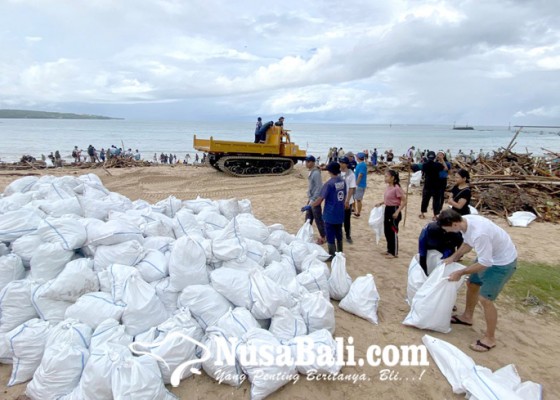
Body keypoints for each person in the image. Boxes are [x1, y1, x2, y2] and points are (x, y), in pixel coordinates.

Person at [438, 209, 517, 352]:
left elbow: (485, 263)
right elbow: (467, 243)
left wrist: (461, 272)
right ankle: (467, 317)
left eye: (448, 229)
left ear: (455, 224)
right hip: (488, 257)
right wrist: (454, 257)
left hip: (501, 263)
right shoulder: (465, 221)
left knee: (485, 300)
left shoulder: (480, 234)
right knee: (472, 283)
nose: (448, 232)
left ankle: (490, 338)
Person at [304, 162, 346, 259]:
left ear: (329, 171)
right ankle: (340, 252)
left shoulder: (329, 184)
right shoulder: (342, 181)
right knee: (339, 233)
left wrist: (309, 206)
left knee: (330, 235)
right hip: (340, 212)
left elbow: (319, 200)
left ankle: (332, 255)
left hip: (330, 213)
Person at [374, 169, 406, 258]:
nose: (385, 178)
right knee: (387, 231)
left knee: (393, 231)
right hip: (387, 209)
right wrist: (380, 203)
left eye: (386, 176)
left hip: (394, 210)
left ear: (393, 178)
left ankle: (394, 253)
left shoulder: (397, 188)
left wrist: (397, 211)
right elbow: (388, 199)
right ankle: (389, 250)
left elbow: (404, 201)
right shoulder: (388, 187)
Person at [303, 155, 327, 244]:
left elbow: (319, 188)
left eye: (308, 162)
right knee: (308, 219)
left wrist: (312, 201)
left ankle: (324, 236)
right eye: (306, 161)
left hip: (315, 200)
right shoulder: (312, 171)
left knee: (318, 219)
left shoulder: (316, 173)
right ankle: (306, 234)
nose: (306, 163)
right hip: (311, 198)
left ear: (312, 162)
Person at [419, 151, 444, 220]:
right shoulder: (438, 165)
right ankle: (435, 215)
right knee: (436, 201)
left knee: (425, 200)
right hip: (436, 185)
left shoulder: (425, 164)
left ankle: (422, 213)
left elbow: (422, 172)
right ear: (434, 157)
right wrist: (441, 160)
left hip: (427, 184)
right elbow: (444, 169)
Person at [339, 156, 357, 244]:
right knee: (338, 218)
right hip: (338, 200)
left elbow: (351, 188)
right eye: (340, 162)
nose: (341, 164)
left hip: (347, 201)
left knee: (347, 219)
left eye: (342, 163)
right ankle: (339, 234)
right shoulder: (337, 173)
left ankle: (348, 235)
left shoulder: (351, 174)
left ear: (346, 164)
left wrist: (347, 201)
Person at [353, 152, 367, 217]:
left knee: (358, 199)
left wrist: (356, 184)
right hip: (358, 184)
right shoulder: (360, 164)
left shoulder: (362, 165)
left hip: (360, 185)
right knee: (354, 198)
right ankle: (355, 210)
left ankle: (358, 213)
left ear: (358, 157)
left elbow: (360, 175)